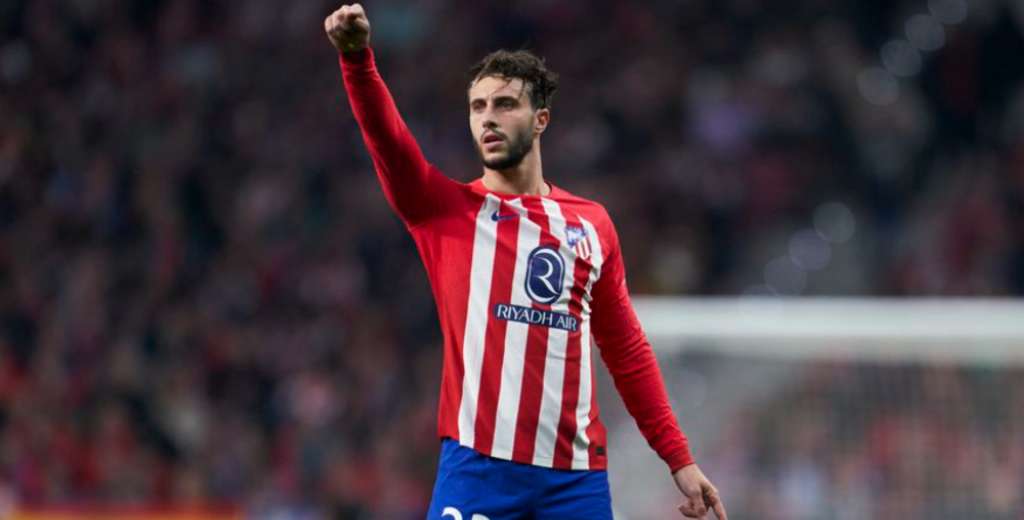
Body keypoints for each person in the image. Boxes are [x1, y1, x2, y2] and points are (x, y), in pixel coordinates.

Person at [324, 4, 727, 519]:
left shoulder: (591, 225)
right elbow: (389, 143)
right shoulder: (446, 212)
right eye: (477, 107)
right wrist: (357, 61)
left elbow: (626, 350)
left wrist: (679, 459)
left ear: (541, 120)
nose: (488, 117)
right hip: (479, 470)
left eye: (505, 104)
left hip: (574, 481)